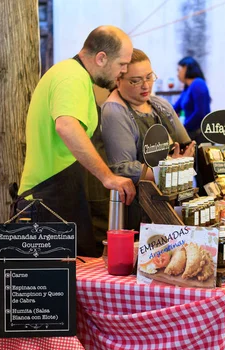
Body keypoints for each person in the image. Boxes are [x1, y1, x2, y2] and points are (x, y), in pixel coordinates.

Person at [16, 26, 136, 257]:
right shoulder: (71, 76)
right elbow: (67, 126)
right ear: (101, 58)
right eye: (122, 64)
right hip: (45, 202)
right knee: (47, 291)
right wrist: (108, 177)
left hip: (57, 198)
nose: (123, 71)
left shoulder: (73, 74)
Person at [101, 48, 195, 229]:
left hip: (167, 198)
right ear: (117, 80)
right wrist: (170, 168)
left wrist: (178, 163)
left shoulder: (159, 105)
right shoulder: (114, 111)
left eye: (149, 77)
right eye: (135, 81)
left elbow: (186, 146)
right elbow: (122, 168)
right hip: (134, 206)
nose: (145, 86)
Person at [173, 56, 211, 143]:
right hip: (192, 133)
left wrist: (184, 128)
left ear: (185, 68)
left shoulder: (198, 83)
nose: (177, 74)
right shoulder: (187, 88)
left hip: (200, 136)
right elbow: (174, 109)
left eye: (178, 70)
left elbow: (200, 113)